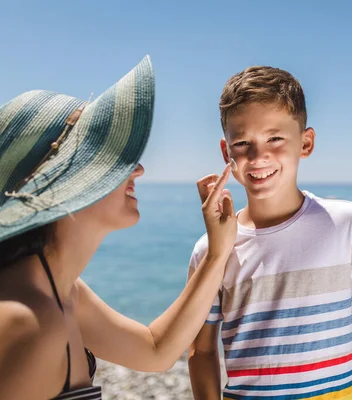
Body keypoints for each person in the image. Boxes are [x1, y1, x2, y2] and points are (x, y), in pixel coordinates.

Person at [0, 56, 237, 399]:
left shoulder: (61, 289)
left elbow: (155, 351)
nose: (138, 170)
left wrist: (217, 253)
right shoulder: (26, 319)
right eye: (111, 159)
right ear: (65, 181)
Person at [187, 66, 352, 399]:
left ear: (305, 142)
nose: (258, 155)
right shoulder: (212, 250)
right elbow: (201, 349)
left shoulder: (346, 222)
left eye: (275, 138)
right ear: (226, 152)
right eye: (243, 142)